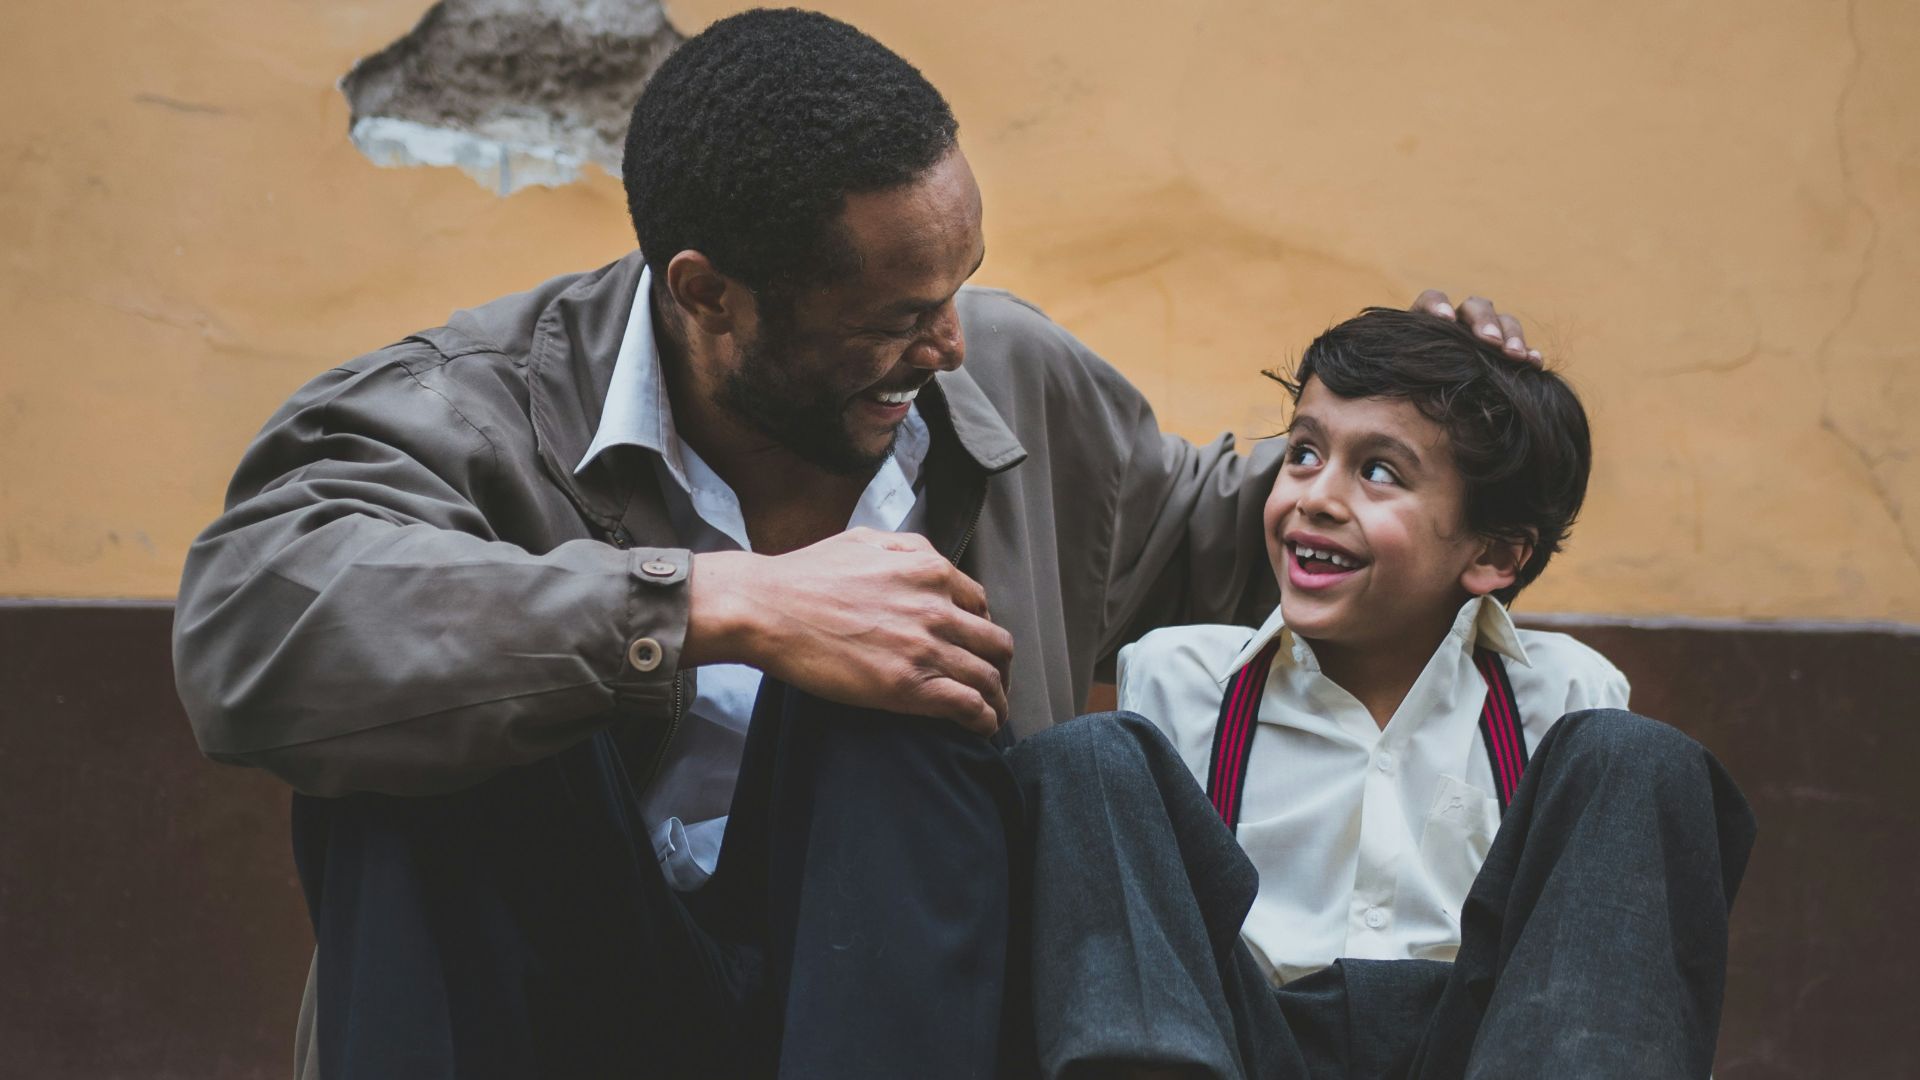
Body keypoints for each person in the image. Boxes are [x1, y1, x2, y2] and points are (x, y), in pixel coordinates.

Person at [171, 10, 1542, 1079]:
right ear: (709, 295)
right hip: (567, 1003)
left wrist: (1430, 442)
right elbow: (254, 626)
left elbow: (1219, 538)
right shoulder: (467, 411)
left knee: (911, 672)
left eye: (959, 288)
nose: (947, 344)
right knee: (430, 734)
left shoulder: (1007, 377)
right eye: (893, 318)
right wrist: (718, 605)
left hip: (915, 1010)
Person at [1009, 307, 1757, 1079]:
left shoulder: (1564, 691)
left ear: (1494, 554)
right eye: (1304, 453)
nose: (1317, 496)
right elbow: (1156, 949)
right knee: (1088, 754)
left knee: (1636, 756)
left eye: (1378, 472)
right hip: (1239, 1052)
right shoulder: (1183, 676)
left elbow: (1584, 958)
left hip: (1485, 1055)